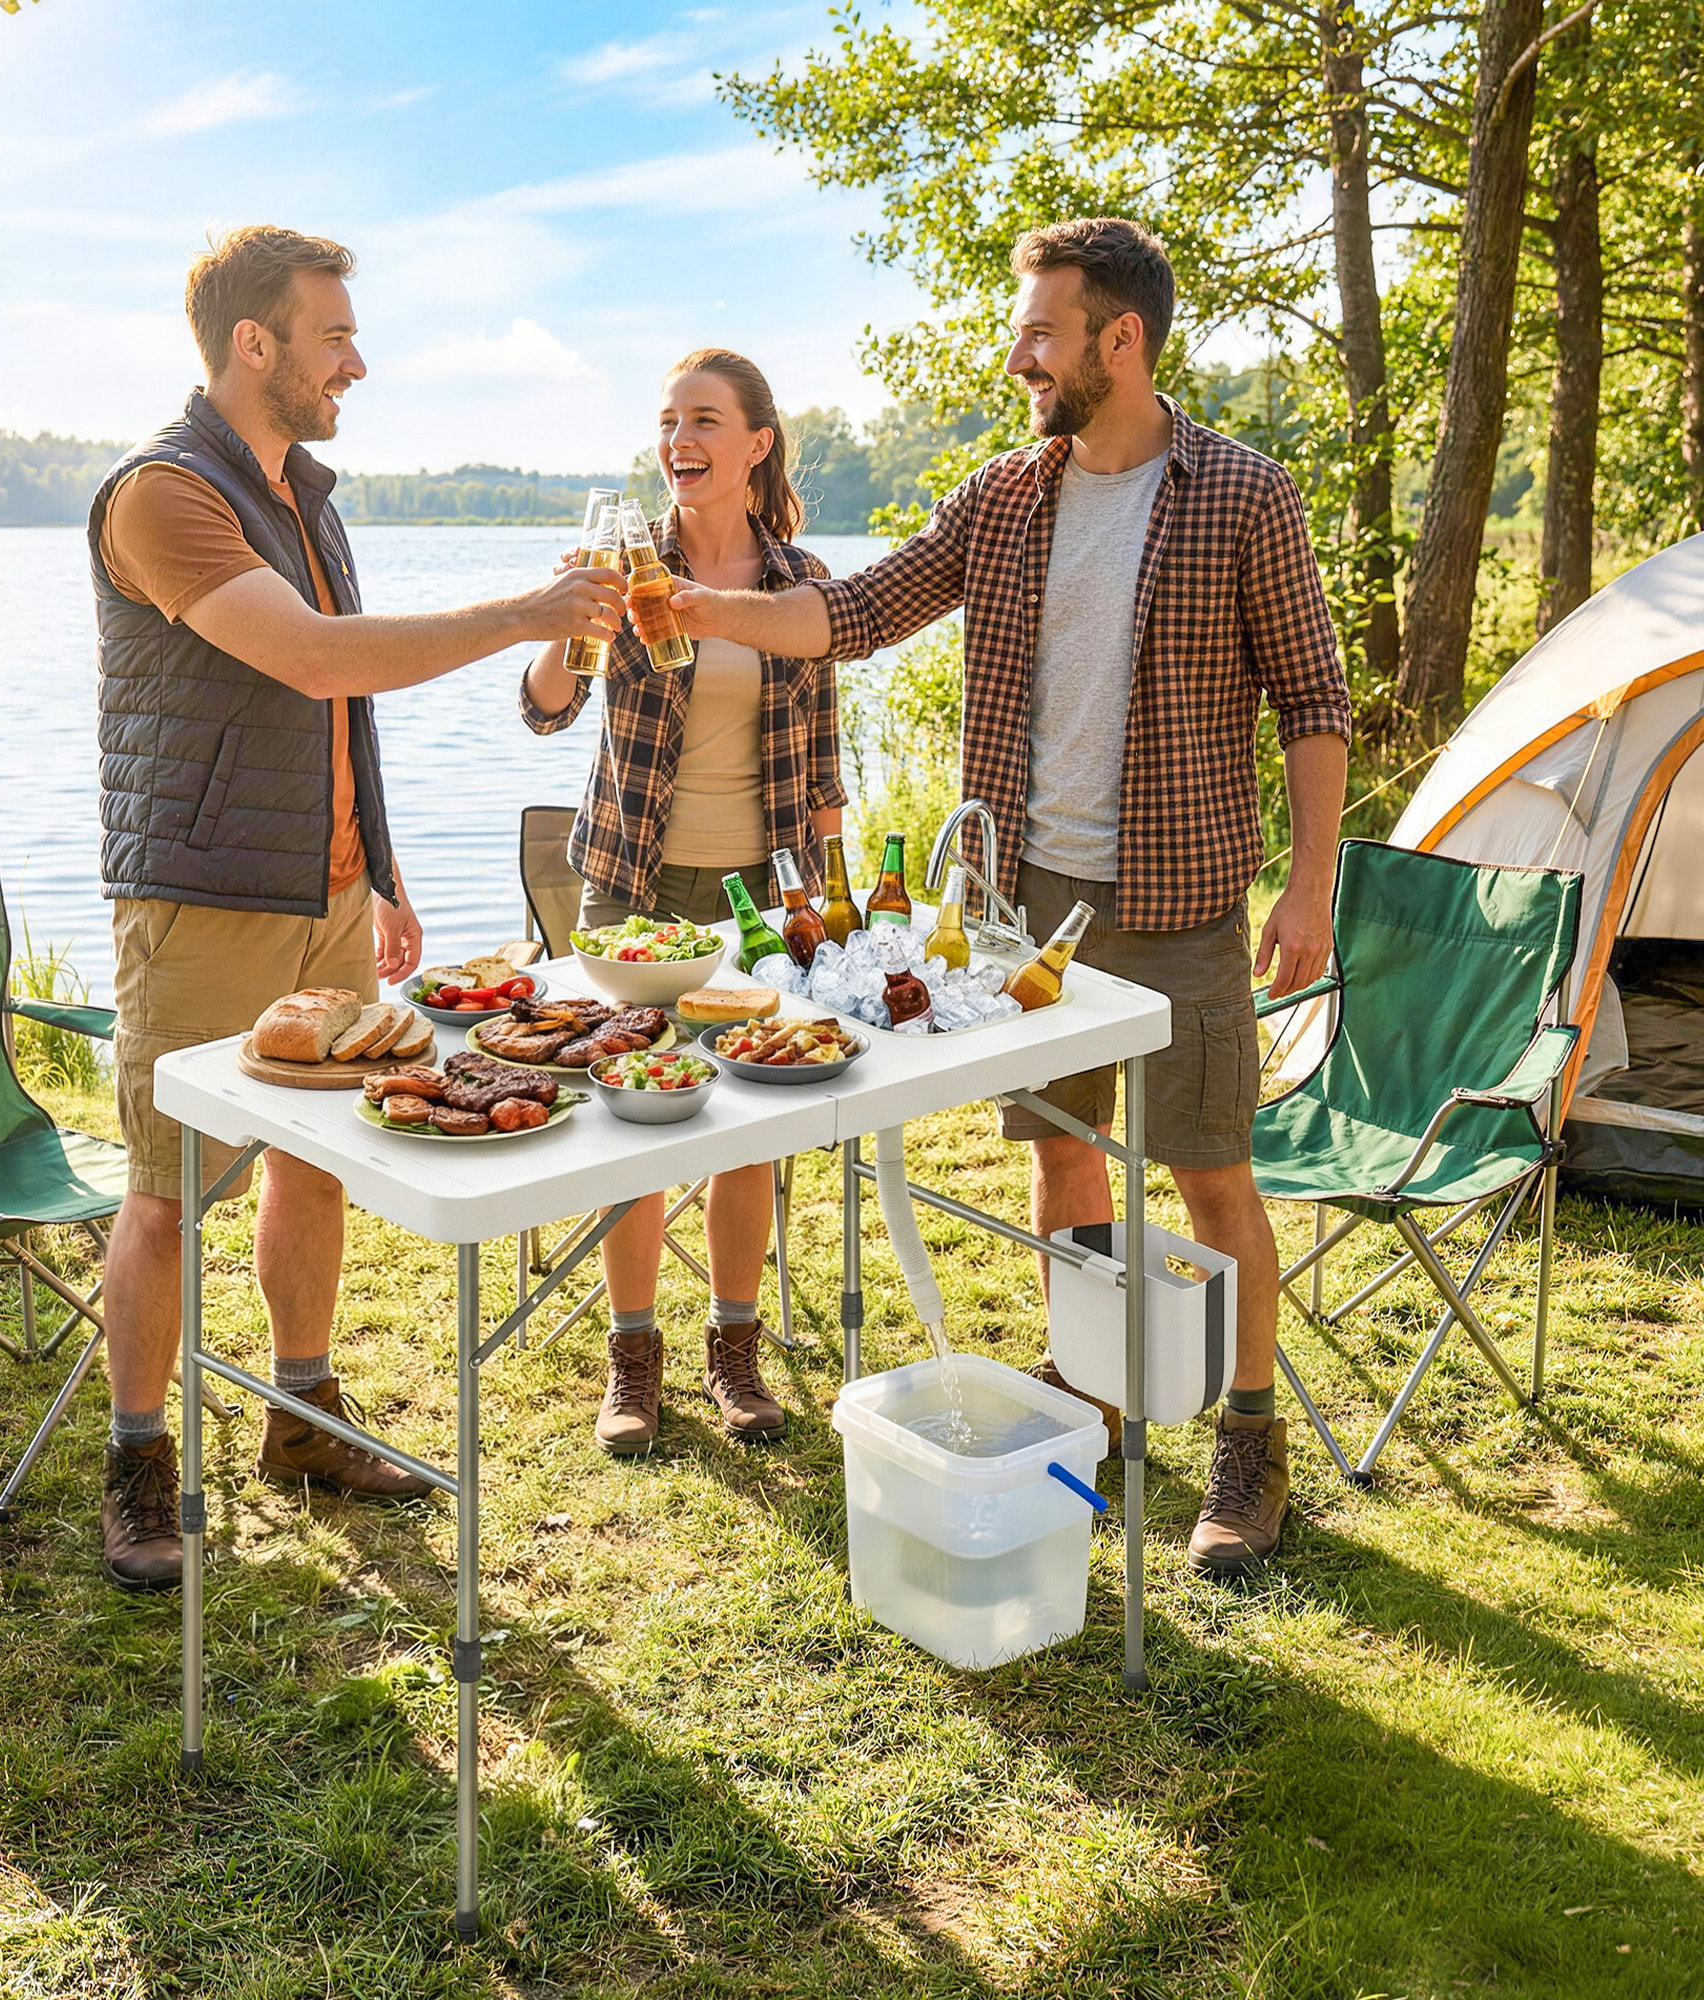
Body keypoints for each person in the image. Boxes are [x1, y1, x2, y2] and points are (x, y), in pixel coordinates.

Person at [650, 221, 1351, 1579]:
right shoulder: (1003, 498)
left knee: (1209, 1176)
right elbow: (845, 615)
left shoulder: (1244, 496)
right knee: (1061, 1154)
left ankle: (1250, 1445)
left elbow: (1314, 703)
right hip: (1024, 910)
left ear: (1119, 340)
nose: (1017, 355)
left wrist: (1310, 879)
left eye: (1041, 331)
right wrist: (694, 608)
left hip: (1179, 898)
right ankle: (1093, 1384)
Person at [87, 225, 624, 1591]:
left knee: (313, 1163)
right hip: (201, 900)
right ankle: (139, 1460)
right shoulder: (163, 494)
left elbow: (344, 706)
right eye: (335, 338)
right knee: (167, 1188)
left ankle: (302, 1417)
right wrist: (528, 610)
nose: (359, 364)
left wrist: (379, 869)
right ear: (252, 344)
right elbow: (315, 655)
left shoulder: (305, 496)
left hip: (324, 891)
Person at [519, 349, 848, 1455]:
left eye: (702, 420)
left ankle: (735, 1346)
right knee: (634, 1114)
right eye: (666, 422)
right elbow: (544, 708)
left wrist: (834, 897)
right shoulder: (620, 565)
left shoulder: (796, 582)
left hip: (756, 891)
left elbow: (823, 766)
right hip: (630, 879)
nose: (679, 442)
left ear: (754, 443)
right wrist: (568, 622)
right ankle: (631, 1355)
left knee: (745, 1121)